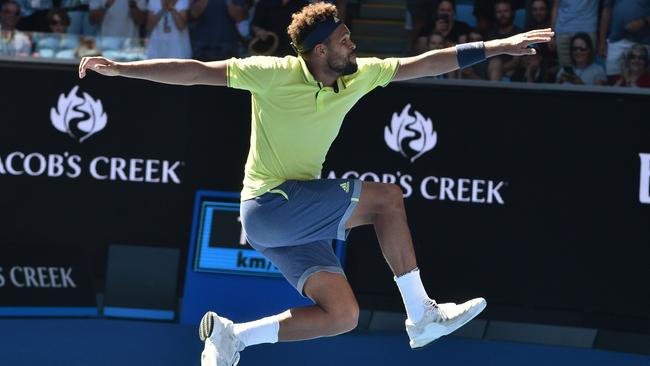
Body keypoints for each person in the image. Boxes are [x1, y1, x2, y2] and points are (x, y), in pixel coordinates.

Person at [78, 4, 553, 365]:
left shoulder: (358, 76)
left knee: (342, 315)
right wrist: (122, 69)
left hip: (286, 225)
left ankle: (232, 336)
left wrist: (496, 47)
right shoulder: (272, 74)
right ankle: (422, 315)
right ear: (320, 50)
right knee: (387, 199)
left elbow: (426, 62)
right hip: (269, 206)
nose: (354, 46)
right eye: (345, 41)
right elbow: (196, 73)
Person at [599, 0, 650, 80]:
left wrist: (643, 22)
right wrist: (602, 41)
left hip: (642, 42)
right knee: (612, 79)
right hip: (616, 41)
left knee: (643, 82)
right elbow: (607, 10)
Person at [551, 0, 599, 68]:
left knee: (588, 69)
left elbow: (606, 7)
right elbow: (556, 6)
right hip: (563, 30)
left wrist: (603, 40)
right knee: (565, 69)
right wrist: (552, 34)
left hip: (587, 28)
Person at [487, 0, 522, 81]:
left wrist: (497, 70)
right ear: (495, 14)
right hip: (490, 69)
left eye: (505, 11)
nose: (502, 15)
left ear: (512, 12)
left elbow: (516, 62)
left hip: (511, 71)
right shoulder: (490, 34)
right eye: (499, 12)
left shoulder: (519, 33)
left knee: (496, 63)